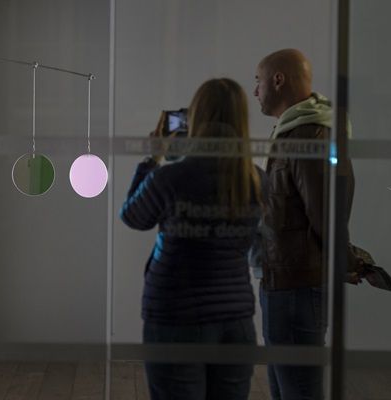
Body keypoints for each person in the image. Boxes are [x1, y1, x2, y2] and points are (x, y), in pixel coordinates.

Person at [120, 78, 263, 399]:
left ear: (195, 118)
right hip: (236, 318)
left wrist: (152, 157)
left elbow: (133, 216)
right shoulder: (256, 181)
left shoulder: (170, 177)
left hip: (175, 316)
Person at [254, 49, 355, 399]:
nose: (256, 91)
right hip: (284, 285)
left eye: (258, 81)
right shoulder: (294, 133)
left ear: (278, 80)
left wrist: (346, 259)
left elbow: (327, 217)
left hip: (296, 289)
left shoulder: (308, 137)